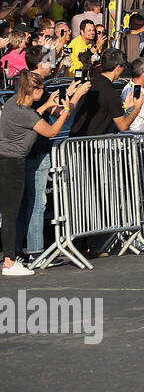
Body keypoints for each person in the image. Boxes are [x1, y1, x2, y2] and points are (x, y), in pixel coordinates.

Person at [0, 71, 88, 274]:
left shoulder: (15, 102)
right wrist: (65, 111)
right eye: (41, 89)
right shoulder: (26, 113)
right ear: (35, 90)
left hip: (9, 161)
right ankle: (9, 263)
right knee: (11, 214)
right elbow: (51, 132)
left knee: (12, 212)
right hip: (12, 163)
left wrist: (48, 105)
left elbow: (35, 115)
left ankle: (12, 258)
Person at [67, 48, 144, 137]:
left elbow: (103, 111)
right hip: (89, 146)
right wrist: (137, 108)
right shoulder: (111, 93)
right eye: (123, 66)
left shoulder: (89, 84)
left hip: (74, 141)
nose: (123, 70)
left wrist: (125, 106)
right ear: (118, 68)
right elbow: (123, 126)